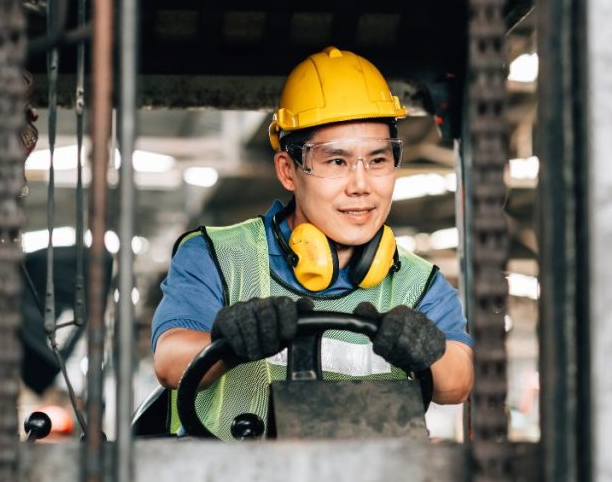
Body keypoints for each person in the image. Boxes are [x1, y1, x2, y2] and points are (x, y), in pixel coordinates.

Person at [151, 47, 474, 440]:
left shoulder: (418, 283)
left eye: (377, 160)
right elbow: (170, 363)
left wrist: (428, 351)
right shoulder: (218, 257)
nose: (361, 186)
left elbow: (458, 382)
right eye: (336, 162)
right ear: (288, 171)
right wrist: (228, 341)